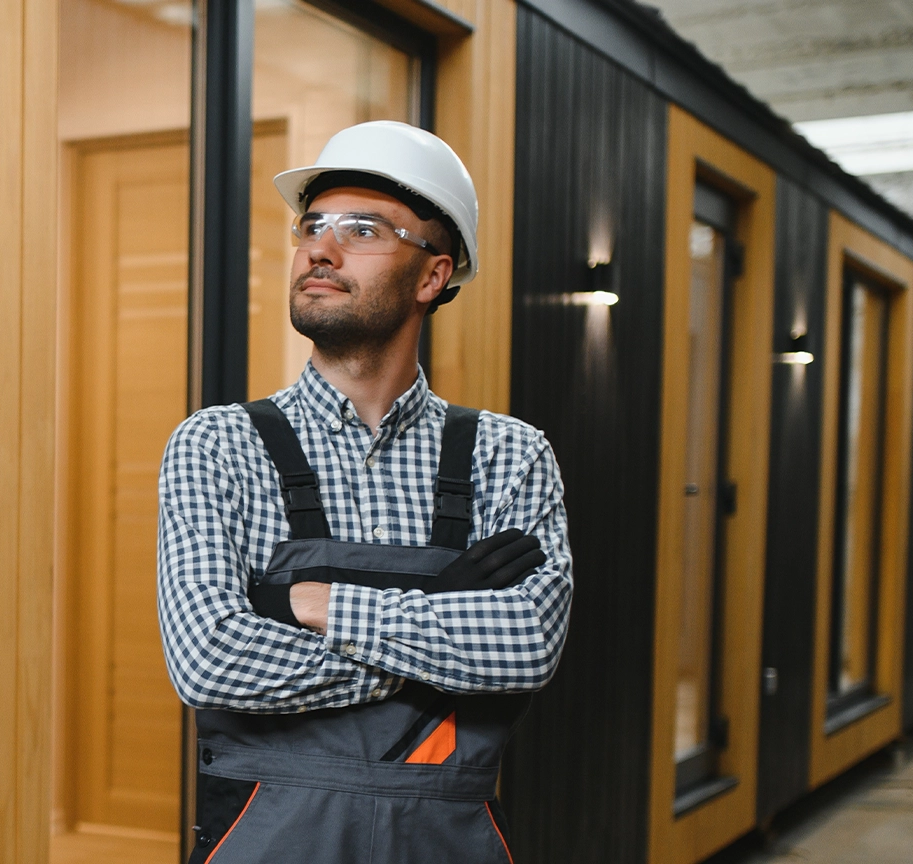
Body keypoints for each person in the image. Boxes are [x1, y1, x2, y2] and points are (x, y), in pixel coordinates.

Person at [156, 120, 573, 863]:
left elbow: (527, 650)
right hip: (266, 838)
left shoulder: (511, 454)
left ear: (431, 276)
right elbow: (210, 660)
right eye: (312, 225)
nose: (319, 247)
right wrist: (443, 623)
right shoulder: (217, 444)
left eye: (363, 228)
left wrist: (307, 604)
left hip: (449, 840)